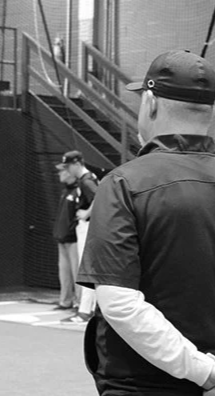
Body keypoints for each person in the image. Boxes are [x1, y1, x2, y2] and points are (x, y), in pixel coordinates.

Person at [78, 50, 215, 395]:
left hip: (142, 384)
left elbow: (121, 304)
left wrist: (204, 371)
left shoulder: (124, 183)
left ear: (150, 103)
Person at [59, 150, 98, 324]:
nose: (68, 170)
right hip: (89, 227)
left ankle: (84, 311)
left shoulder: (86, 180)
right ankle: (90, 309)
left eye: (69, 166)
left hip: (87, 227)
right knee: (89, 270)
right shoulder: (88, 178)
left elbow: (99, 197)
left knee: (87, 270)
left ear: (77, 164)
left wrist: (86, 212)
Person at [51, 165, 79, 310]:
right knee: (64, 273)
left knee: (77, 273)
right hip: (62, 238)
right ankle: (65, 301)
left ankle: (80, 304)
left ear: (69, 172)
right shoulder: (65, 191)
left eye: (62, 171)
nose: (59, 174)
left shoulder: (79, 190)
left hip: (74, 239)